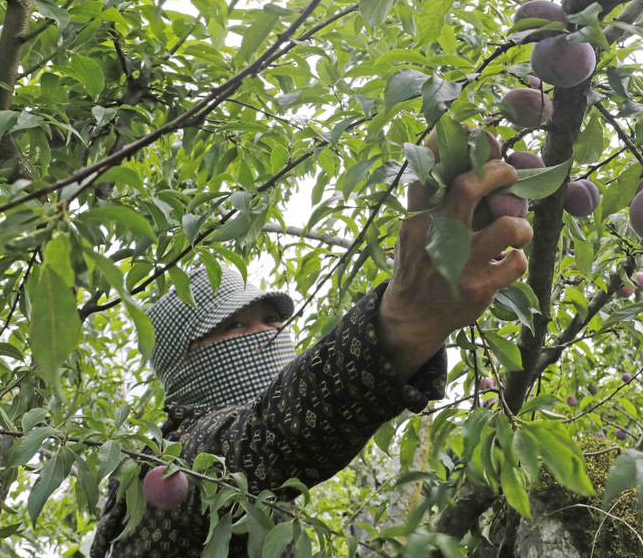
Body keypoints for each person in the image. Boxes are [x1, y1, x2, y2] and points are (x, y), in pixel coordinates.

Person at [89, 158, 532, 557]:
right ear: (183, 363)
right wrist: (402, 320)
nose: (266, 334)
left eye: (270, 319)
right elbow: (272, 437)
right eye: (236, 326)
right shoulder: (173, 462)